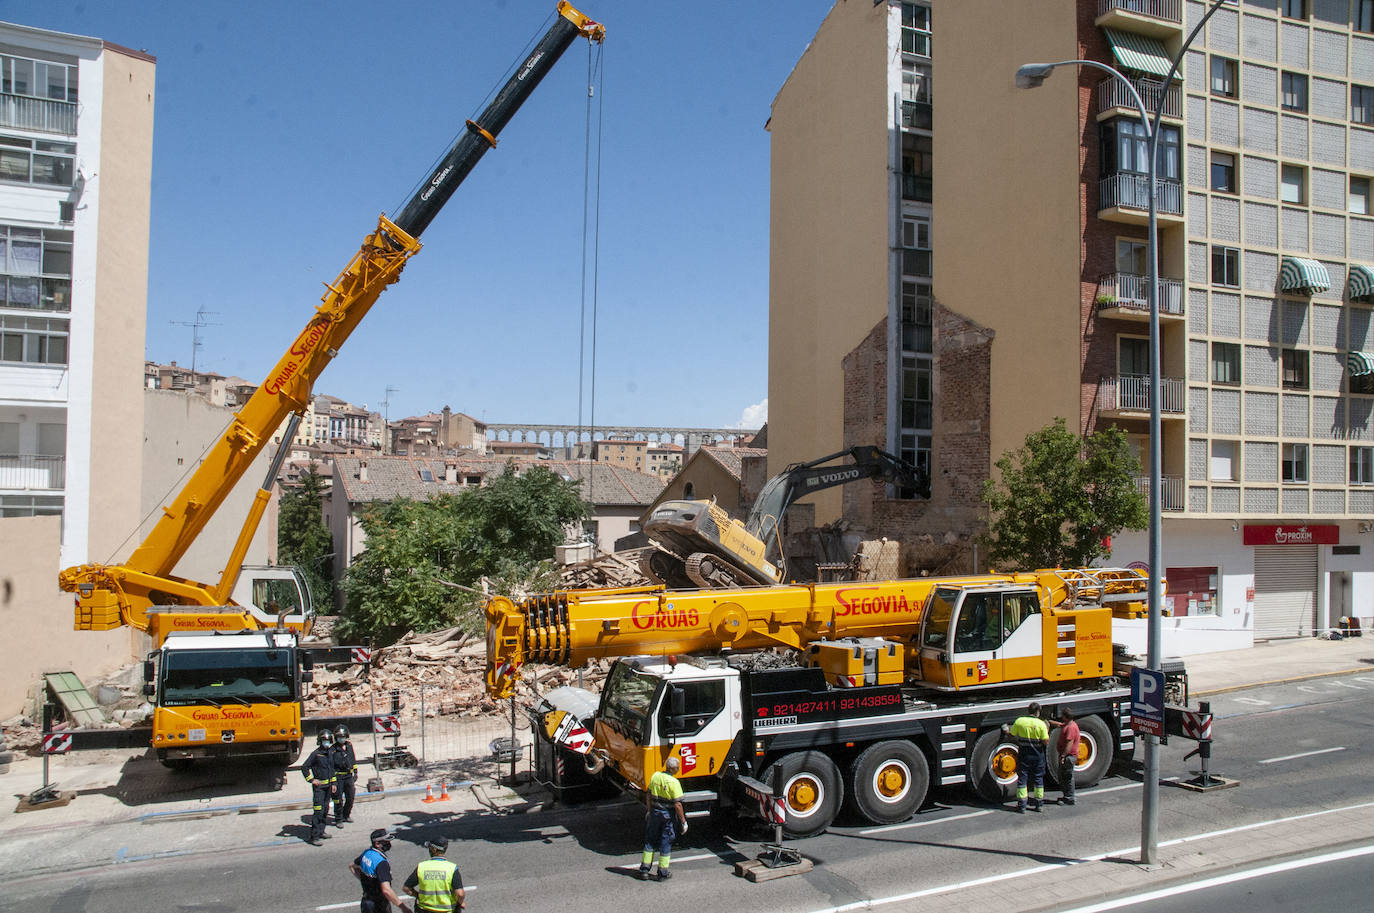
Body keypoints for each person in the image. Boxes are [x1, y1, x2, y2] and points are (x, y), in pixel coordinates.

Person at [638, 756, 687, 881]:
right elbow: (678, 804)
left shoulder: (655, 776)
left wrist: (649, 810)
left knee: (650, 841)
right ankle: (662, 872)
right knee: (666, 843)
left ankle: (644, 870)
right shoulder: (674, 783)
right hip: (667, 816)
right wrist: (683, 822)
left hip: (654, 813)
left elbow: (648, 794)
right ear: (675, 769)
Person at [350, 829, 412, 913]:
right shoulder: (381, 863)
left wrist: (364, 881)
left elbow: (352, 866)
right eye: (386, 842)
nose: (389, 844)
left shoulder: (367, 853)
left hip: (366, 902)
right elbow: (386, 890)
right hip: (379, 905)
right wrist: (403, 907)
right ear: (377, 844)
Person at [1005, 702, 1049, 813]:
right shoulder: (1041, 724)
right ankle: (1039, 804)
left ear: (1028, 710)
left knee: (1022, 778)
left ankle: (1022, 805)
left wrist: (1005, 730)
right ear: (1037, 712)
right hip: (1037, 755)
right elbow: (1046, 741)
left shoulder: (1020, 721)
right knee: (1038, 779)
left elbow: (1011, 735)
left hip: (1024, 754)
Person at [404, 836, 464, 912]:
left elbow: (406, 888)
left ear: (434, 849)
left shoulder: (422, 867)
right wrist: (459, 904)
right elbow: (460, 894)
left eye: (430, 847)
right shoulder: (452, 868)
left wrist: (418, 895)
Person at [302, 729, 337, 845]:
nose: (326, 742)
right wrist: (311, 780)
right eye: (324, 740)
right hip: (319, 789)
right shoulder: (315, 754)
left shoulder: (331, 753)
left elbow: (332, 769)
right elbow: (304, 767)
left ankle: (322, 831)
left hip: (328, 787)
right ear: (320, 741)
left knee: (325, 810)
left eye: (328, 740)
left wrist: (334, 784)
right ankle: (314, 837)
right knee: (318, 811)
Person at [332, 724, 359, 826]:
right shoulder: (333, 749)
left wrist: (355, 772)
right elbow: (331, 766)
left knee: (350, 797)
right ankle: (338, 819)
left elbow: (353, 759)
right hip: (338, 777)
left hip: (348, 776)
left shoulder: (349, 746)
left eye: (343, 737)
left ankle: (346, 815)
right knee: (338, 799)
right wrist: (333, 781)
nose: (341, 739)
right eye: (339, 737)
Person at [1053, 707, 1081, 806]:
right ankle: (1067, 796)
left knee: (1067, 777)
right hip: (1067, 756)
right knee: (1063, 776)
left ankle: (1070, 798)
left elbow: (1069, 743)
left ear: (1065, 716)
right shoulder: (1069, 724)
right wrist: (1049, 721)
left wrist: (1063, 756)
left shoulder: (1071, 728)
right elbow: (1060, 725)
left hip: (1069, 756)